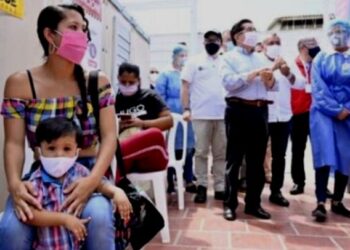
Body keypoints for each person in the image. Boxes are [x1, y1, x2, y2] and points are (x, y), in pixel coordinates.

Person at [0, 4, 117, 250]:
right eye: (73, 27)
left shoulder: (97, 82)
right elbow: (13, 142)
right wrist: (15, 185)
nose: (82, 35)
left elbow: (109, 137)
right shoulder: (21, 84)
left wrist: (93, 179)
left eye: (84, 29)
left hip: (89, 172)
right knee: (12, 229)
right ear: (50, 34)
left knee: (100, 217)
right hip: (43, 173)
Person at [24, 117, 132, 249]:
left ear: (77, 151)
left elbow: (100, 185)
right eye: (51, 148)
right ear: (40, 151)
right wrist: (64, 219)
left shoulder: (80, 172)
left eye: (67, 149)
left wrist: (117, 192)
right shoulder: (37, 180)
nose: (59, 154)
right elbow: (31, 215)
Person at [220, 19, 277, 221]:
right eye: (249, 30)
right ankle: (230, 204)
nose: (254, 33)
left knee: (256, 161)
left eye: (254, 29)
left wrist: (270, 79)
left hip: (260, 111)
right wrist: (253, 74)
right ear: (237, 36)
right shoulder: (228, 57)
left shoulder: (262, 57)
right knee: (234, 160)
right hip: (237, 110)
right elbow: (229, 83)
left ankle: (253, 204)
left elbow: (272, 87)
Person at [310, 19, 350, 222]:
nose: (337, 34)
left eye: (341, 30)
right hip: (323, 113)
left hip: (348, 115)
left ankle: (337, 201)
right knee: (324, 155)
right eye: (333, 31)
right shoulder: (321, 58)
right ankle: (320, 202)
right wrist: (336, 110)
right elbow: (318, 89)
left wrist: (347, 109)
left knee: (346, 156)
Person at [181, 29, 227, 203]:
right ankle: (201, 185)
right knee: (200, 152)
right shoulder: (194, 61)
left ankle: (220, 186)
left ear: (221, 43)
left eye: (215, 40)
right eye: (208, 40)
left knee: (220, 153)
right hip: (200, 114)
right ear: (204, 42)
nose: (211, 43)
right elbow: (185, 86)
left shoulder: (226, 61)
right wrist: (186, 108)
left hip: (222, 115)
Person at [261, 33, 306, 207]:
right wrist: (274, 67)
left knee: (280, 156)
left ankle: (276, 191)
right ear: (263, 45)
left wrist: (288, 74)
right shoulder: (257, 60)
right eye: (271, 42)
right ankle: (255, 191)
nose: (274, 45)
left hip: (284, 116)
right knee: (257, 155)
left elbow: (300, 84)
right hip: (264, 115)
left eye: (277, 42)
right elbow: (261, 79)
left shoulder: (287, 61)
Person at [115, 62, 173, 177]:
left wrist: (142, 123)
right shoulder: (114, 101)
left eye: (131, 82)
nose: (127, 85)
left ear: (139, 81)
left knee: (154, 134)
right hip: (127, 156)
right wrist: (118, 126)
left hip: (151, 155)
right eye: (123, 82)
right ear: (118, 79)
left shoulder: (150, 96)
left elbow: (169, 121)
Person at [155, 44, 197, 194]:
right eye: (181, 55)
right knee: (171, 148)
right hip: (171, 116)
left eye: (186, 55)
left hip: (187, 115)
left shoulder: (188, 73)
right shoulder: (165, 74)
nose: (183, 58)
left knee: (189, 148)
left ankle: (189, 179)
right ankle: (171, 181)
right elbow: (159, 96)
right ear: (174, 56)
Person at [289, 37, 321, 195]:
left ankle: (321, 184)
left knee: (319, 149)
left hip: (316, 113)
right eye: (311, 47)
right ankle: (298, 181)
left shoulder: (318, 64)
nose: (315, 49)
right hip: (298, 113)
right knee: (298, 149)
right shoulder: (293, 65)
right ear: (302, 48)